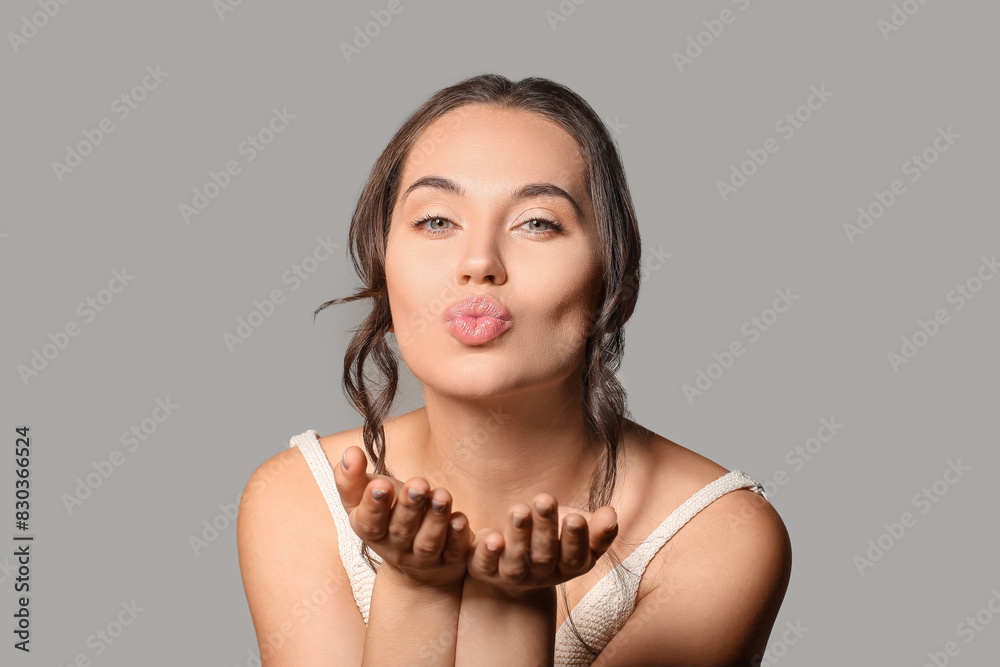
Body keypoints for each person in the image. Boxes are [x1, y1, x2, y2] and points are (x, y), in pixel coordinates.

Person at [236, 73, 792, 666]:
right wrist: (417, 586)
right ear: (383, 270)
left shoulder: (718, 534)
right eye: (436, 221)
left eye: (537, 222)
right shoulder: (297, 498)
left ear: (613, 281)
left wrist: (513, 603)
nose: (479, 263)